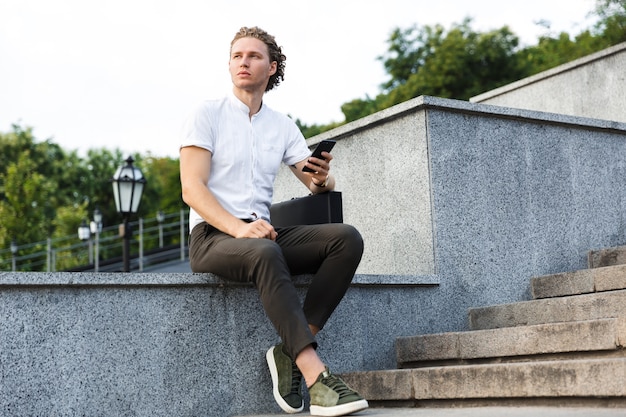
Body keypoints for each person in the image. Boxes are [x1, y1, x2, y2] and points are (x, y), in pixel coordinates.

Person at [179, 26, 368, 417]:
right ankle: (316, 377)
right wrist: (238, 227)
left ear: (272, 67)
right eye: (237, 56)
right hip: (214, 237)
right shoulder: (206, 114)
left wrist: (321, 178)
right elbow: (192, 189)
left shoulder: (281, 125)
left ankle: (288, 350)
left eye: (253, 56)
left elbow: (316, 183)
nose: (243, 62)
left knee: (346, 239)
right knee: (264, 249)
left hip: (260, 235)